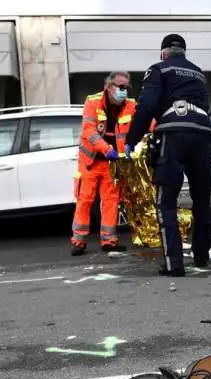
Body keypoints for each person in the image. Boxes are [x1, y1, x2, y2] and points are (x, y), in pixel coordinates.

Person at [125, 33, 211, 277]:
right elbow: (207, 108)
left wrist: (131, 140)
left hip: (173, 136)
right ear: (183, 53)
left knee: (166, 201)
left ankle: (173, 264)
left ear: (164, 53)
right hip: (203, 136)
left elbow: (147, 106)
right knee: (201, 200)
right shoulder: (198, 73)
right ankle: (201, 255)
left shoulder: (158, 69)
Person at [70, 71, 137, 256]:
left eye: (127, 88)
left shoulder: (130, 105)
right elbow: (89, 132)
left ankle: (109, 241)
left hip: (112, 164)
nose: (124, 91)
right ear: (109, 86)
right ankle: (78, 241)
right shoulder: (93, 102)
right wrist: (107, 149)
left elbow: (146, 123)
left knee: (111, 201)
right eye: (121, 87)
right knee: (84, 200)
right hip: (91, 162)